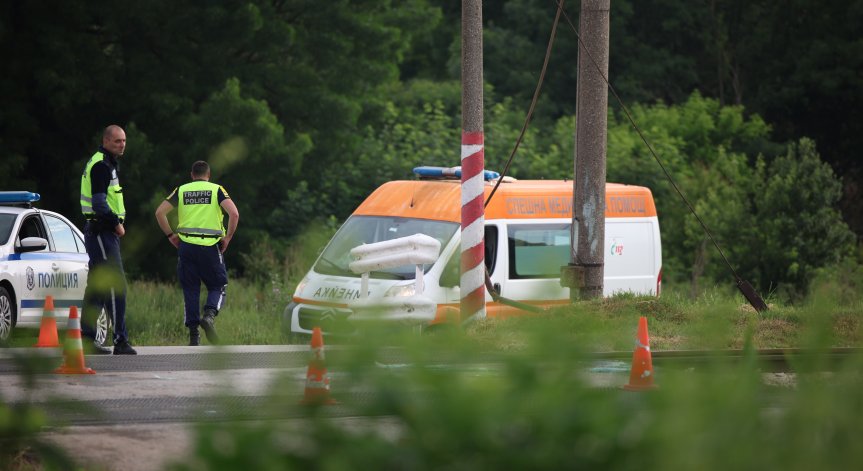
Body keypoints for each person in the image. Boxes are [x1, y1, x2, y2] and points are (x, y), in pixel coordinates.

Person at [155, 161, 239, 346]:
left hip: (186, 247)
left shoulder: (181, 190)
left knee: (190, 289)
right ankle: (209, 316)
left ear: (192, 175)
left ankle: (194, 336)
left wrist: (171, 235)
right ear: (208, 175)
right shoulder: (217, 190)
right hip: (210, 247)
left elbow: (160, 212)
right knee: (218, 285)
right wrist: (228, 238)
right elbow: (234, 214)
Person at [80, 124, 137, 354]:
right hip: (103, 232)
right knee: (117, 285)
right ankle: (120, 340)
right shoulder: (102, 166)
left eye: (123, 141)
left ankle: (86, 338)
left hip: (99, 233)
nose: (121, 144)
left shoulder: (105, 162)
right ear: (106, 141)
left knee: (97, 288)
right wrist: (117, 224)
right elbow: (99, 203)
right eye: (117, 141)